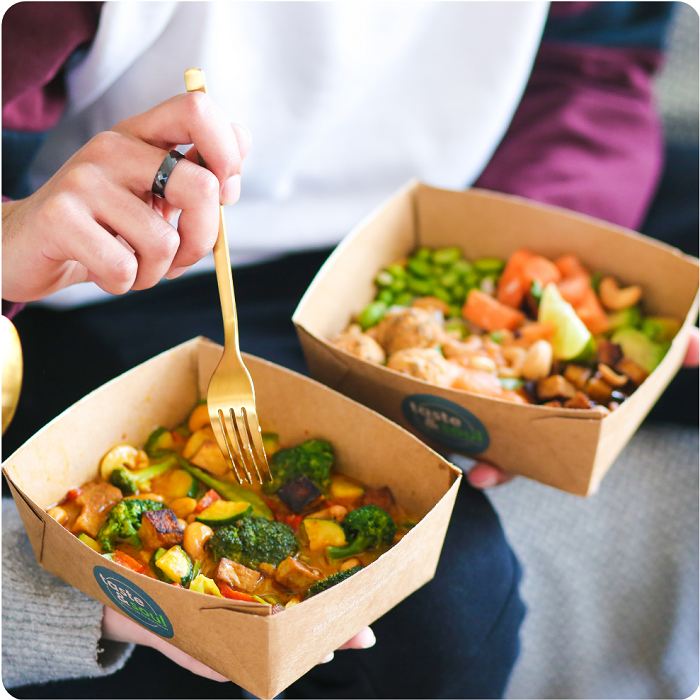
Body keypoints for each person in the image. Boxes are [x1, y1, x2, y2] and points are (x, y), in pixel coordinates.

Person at [2, 1, 694, 698]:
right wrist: (11, 234)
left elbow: (593, 66)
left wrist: (513, 299)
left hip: (416, 233)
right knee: (444, 613)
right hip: (120, 271)